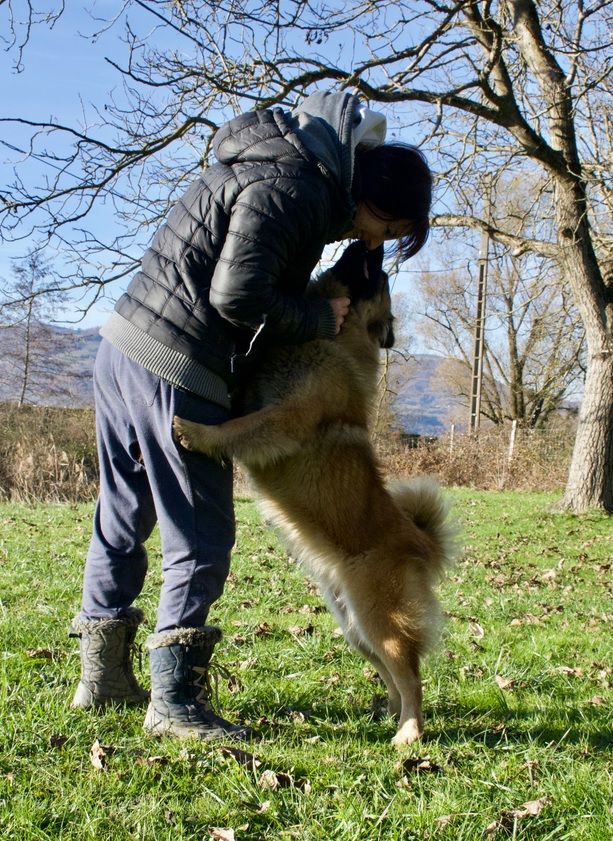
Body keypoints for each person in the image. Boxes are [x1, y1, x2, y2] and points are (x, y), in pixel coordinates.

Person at [69, 89, 433, 741]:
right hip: (180, 363)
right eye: (388, 227)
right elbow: (238, 293)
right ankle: (174, 700)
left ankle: (103, 678)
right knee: (200, 536)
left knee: (122, 516)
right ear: (372, 195)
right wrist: (318, 317)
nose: (374, 239)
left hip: (123, 344)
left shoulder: (266, 160)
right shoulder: (298, 187)